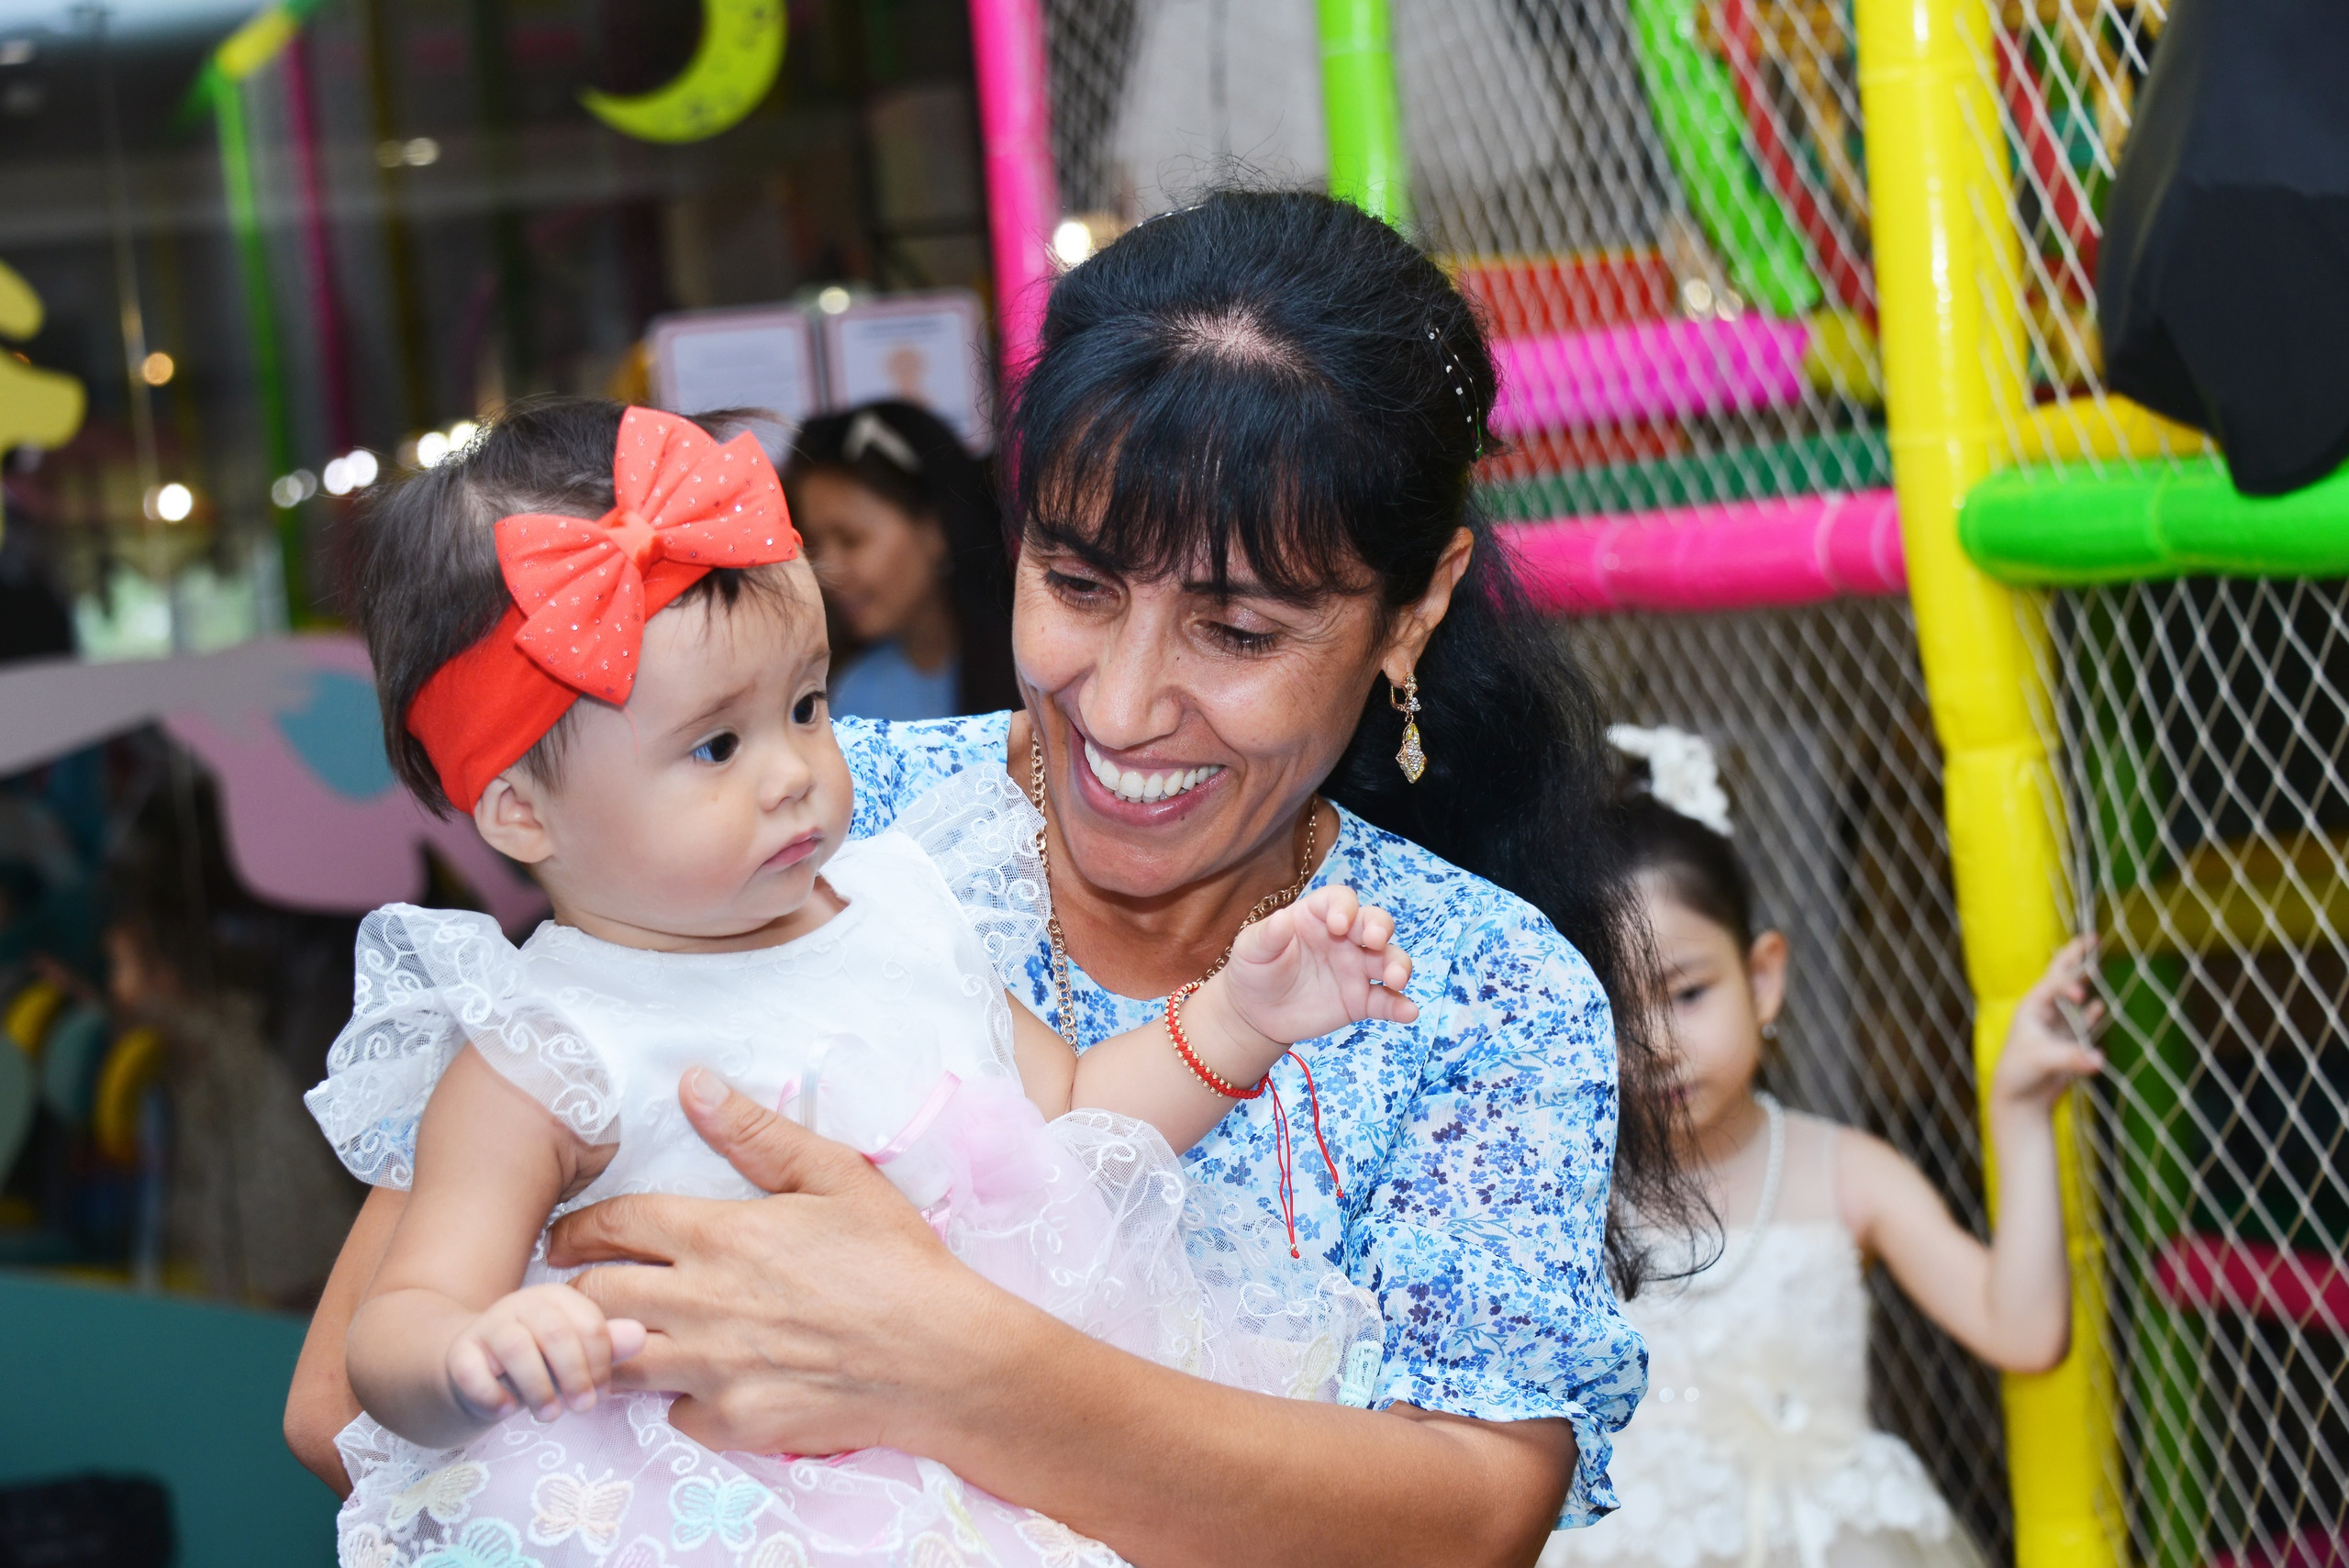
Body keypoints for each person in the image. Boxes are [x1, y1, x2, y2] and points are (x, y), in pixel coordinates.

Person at [289, 189, 1698, 1568]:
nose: (1130, 705)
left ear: (1420, 604)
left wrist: (948, 1366)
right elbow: (348, 1399)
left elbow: (1466, 1521)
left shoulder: (1470, 984)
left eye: (1239, 629)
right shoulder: (811, 836)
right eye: (1078, 585)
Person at [309, 398, 1415, 1562]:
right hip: (733, 1509)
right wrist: (472, 1356)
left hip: (1010, 1446)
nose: (795, 773)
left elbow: (1074, 1117)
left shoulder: (905, 905)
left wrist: (1238, 1019)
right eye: (715, 746)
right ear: (522, 808)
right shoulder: (544, 1052)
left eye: (806, 705)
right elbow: (392, 1329)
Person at [1541, 725, 2106, 1568]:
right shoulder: (1560, 1191)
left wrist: (2019, 1114)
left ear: (1762, 977)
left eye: (1687, 993)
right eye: (1614, 1011)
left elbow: (2021, 1331)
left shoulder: (1849, 1173)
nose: (1653, 1043)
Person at [786, 399, 1019, 720]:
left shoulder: (1035, 671)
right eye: (813, 545)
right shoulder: (854, 697)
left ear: (934, 527)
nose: (828, 573)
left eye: (851, 540)